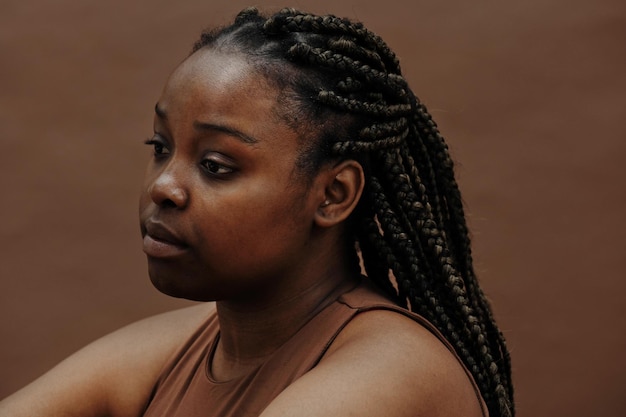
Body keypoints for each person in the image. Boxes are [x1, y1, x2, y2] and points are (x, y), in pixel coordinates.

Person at [0, 6, 514, 417]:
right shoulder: (193, 343)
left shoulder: (392, 371)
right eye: (160, 147)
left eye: (216, 165)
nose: (163, 187)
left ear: (334, 194)